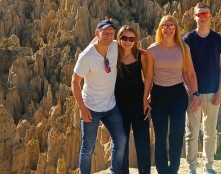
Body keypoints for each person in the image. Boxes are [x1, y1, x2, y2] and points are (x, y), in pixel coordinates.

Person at [143, 15, 200, 174]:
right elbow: (148, 76)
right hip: (158, 94)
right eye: (164, 26)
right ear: (160, 29)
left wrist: (195, 95)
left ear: (176, 28)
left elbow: (191, 72)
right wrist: (145, 98)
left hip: (177, 94)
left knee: (176, 135)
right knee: (160, 136)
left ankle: (173, 170)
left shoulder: (183, 48)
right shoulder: (152, 50)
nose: (168, 28)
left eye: (171, 26)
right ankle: (162, 171)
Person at [71, 20, 126, 174]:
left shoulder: (115, 46)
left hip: (110, 107)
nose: (108, 36)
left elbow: (131, 48)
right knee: (88, 148)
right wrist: (82, 108)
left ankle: (115, 172)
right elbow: (75, 82)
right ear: (97, 33)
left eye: (111, 33)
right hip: (91, 108)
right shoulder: (86, 56)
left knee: (121, 141)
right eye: (105, 33)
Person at [184, 2, 221, 174]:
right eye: (200, 14)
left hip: (213, 93)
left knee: (210, 132)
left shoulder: (218, 39)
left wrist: (220, 91)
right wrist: (192, 92)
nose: (203, 17)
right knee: (192, 133)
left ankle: (208, 167)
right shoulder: (187, 40)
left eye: (206, 14)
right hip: (194, 94)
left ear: (211, 17)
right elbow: (184, 70)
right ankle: (192, 168)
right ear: (194, 16)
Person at [114, 25, 151, 174]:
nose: (127, 41)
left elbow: (148, 77)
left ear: (136, 40)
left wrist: (146, 99)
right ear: (119, 39)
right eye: (124, 38)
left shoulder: (142, 55)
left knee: (142, 143)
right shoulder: (113, 55)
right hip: (118, 106)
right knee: (122, 144)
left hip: (138, 105)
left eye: (131, 39)